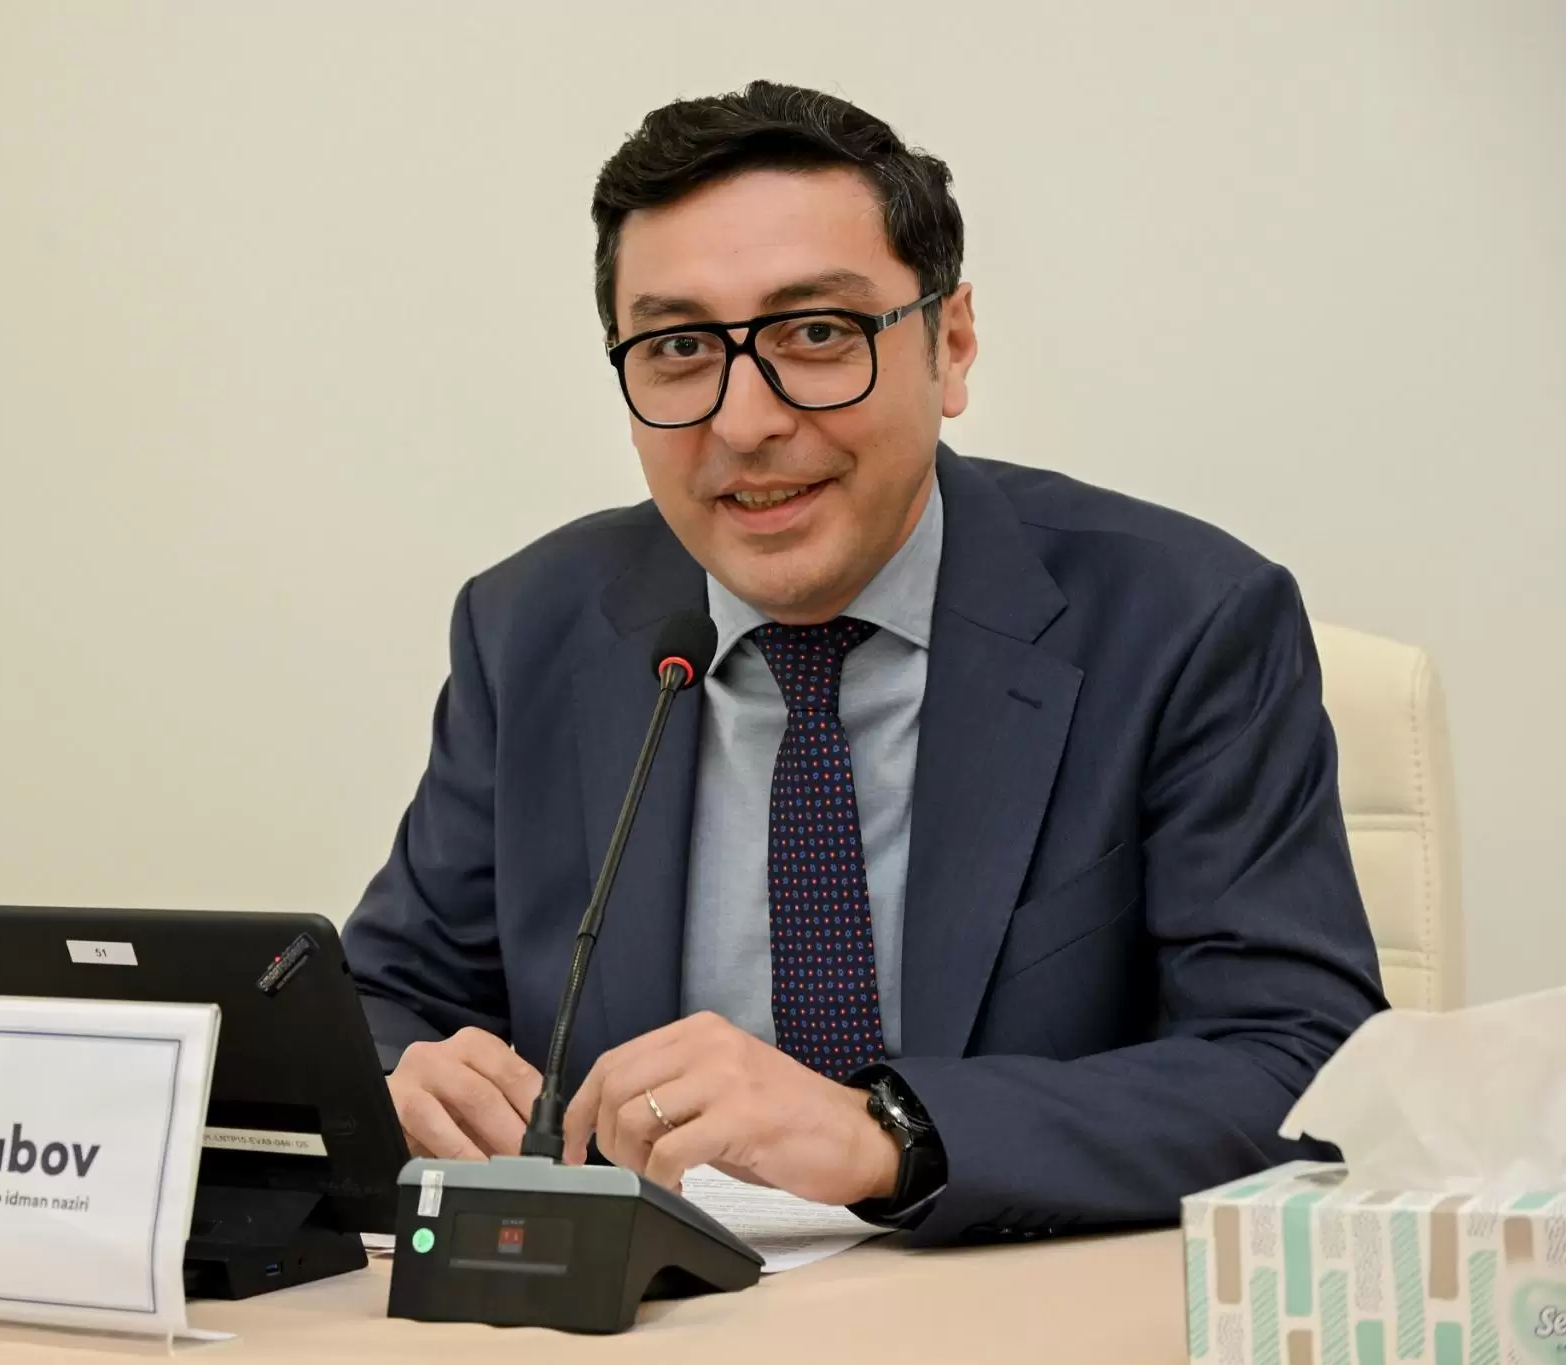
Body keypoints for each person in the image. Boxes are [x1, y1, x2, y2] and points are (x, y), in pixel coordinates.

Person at [341, 80, 1386, 1246]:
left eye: (815, 335)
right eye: (679, 348)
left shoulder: (1181, 621)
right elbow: (382, 1003)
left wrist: (886, 1133)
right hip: (650, 1310)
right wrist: (402, 1078)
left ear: (951, 344)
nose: (744, 422)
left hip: (1016, 1298)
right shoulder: (531, 628)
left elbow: (1301, 1071)